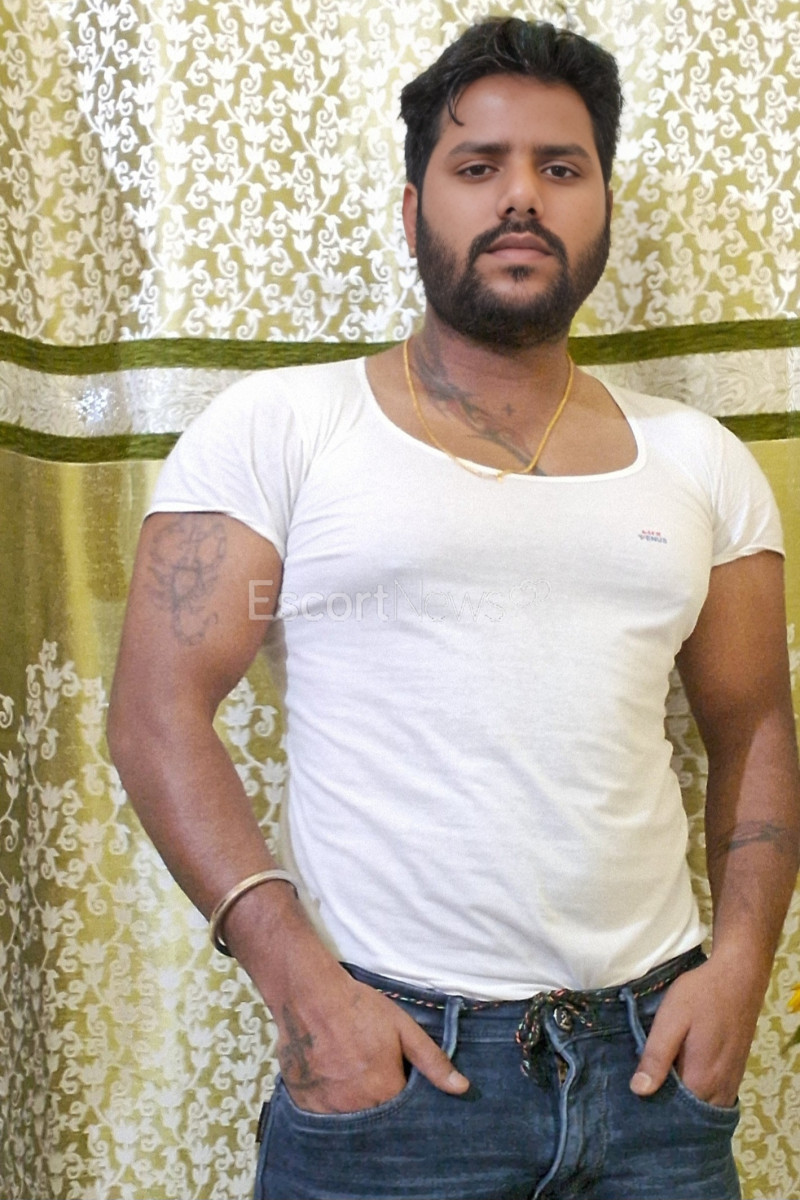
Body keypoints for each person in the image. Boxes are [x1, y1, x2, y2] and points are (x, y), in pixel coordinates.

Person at [108, 17, 800, 1200]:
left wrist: (738, 969)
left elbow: (753, 725)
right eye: (477, 166)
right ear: (412, 207)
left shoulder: (700, 461)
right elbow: (155, 713)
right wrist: (300, 989)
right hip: (391, 1076)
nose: (519, 196)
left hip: (650, 1076)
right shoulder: (278, 428)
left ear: (602, 206)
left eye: (559, 166)